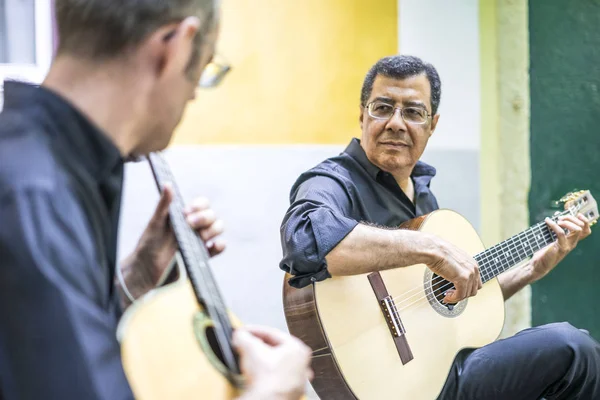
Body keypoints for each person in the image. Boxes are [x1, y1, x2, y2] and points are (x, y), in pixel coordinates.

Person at [0, 1, 311, 399]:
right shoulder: (34, 198)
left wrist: (137, 276)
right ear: (176, 46)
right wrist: (270, 390)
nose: (194, 96)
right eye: (203, 71)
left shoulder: (45, 169)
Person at [279, 54, 600, 399]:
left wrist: (531, 270)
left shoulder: (422, 198)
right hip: (392, 386)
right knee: (572, 347)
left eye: (413, 112)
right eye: (383, 107)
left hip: (437, 374)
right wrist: (432, 248)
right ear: (362, 115)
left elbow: (452, 307)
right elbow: (305, 243)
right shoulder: (331, 182)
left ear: (432, 125)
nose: (396, 123)